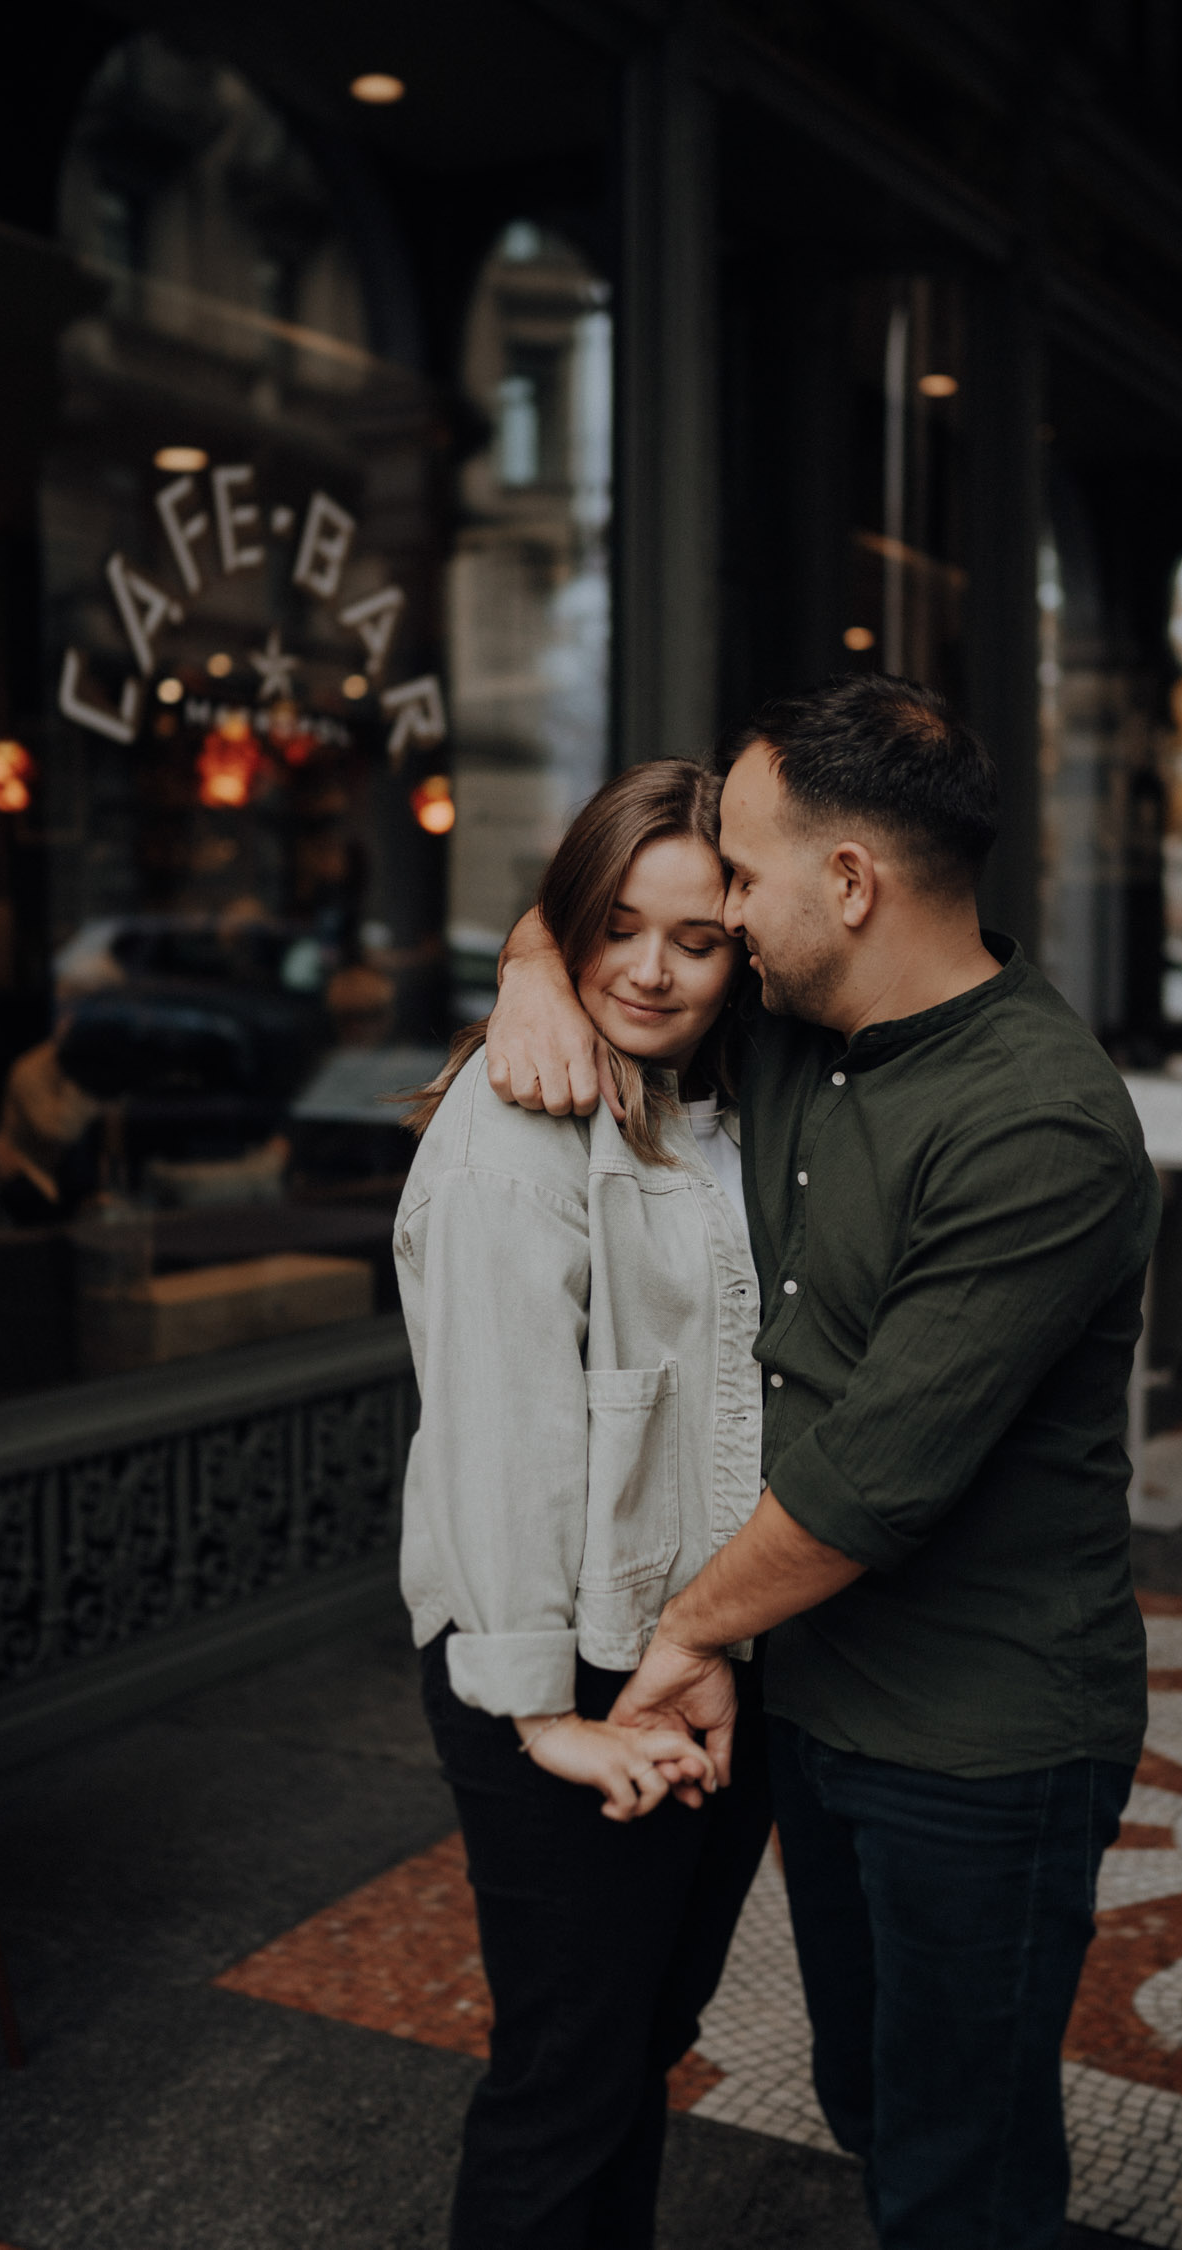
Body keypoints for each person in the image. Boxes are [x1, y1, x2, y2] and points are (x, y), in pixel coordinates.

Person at [487, 674, 1161, 2250]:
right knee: (870, 2094)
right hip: (826, 1706)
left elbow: (875, 1481)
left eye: (742, 869)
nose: (722, 903)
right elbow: (618, 940)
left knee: (962, 2170)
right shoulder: (797, 1033)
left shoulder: (1040, 1122)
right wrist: (532, 957)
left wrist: (683, 1634)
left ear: (848, 885)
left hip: (986, 1735)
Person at [395, 759, 773, 2250]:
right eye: (615, 927)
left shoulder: (709, 1100)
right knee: (564, 2078)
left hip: (688, 1651)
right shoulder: (512, 1130)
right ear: (571, 920)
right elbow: (500, 1445)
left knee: (629, 2053)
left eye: (697, 937)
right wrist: (540, 1708)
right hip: (548, 1664)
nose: (653, 970)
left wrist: (718, 1641)